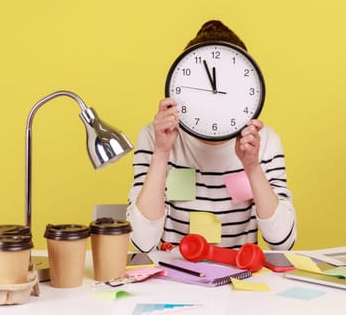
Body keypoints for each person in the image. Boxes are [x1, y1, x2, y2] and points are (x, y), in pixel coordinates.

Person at [126, 20, 296, 252]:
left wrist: (253, 167)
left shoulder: (263, 142)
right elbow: (140, 242)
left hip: (240, 276)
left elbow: (283, 242)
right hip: (172, 282)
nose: (215, 95)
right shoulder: (156, 136)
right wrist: (161, 153)